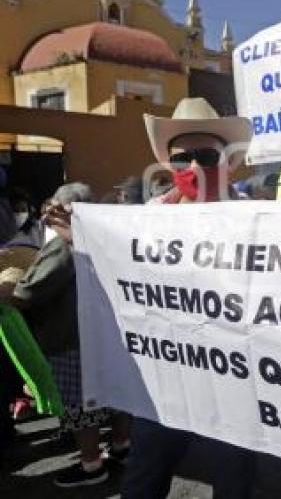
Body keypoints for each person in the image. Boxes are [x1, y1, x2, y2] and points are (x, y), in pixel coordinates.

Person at [49, 98, 256, 498]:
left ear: (229, 161)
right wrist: (81, 236)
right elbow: (117, 262)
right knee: (145, 477)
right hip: (166, 377)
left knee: (234, 481)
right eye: (182, 160)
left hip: (234, 379)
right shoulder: (150, 215)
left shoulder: (256, 217)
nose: (193, 167)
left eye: (206, 156)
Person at [0, 182, 131, 487]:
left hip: (70, 336)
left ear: (64, 210)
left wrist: (11, 293)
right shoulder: (102, 237)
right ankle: (123, 446)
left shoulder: (63, 244)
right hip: (102, 332)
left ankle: (91, 466)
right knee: (114, 396)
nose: (46, 213)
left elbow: (30, 292)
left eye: (53, 207)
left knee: (79, 404)